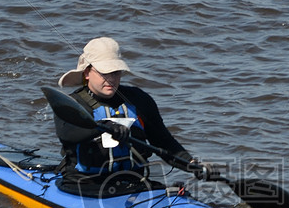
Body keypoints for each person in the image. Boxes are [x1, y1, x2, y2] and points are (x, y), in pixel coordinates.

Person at [52, 37, 204, 196]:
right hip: (85, 185)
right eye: (104, 73)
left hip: (134, 183)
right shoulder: (72, 104)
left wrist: (191, 163)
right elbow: (67, 135)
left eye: (115, 72)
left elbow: (163, 141)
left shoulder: (139, 99)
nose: (111, 79)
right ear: (87, 73)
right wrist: (103, 127)